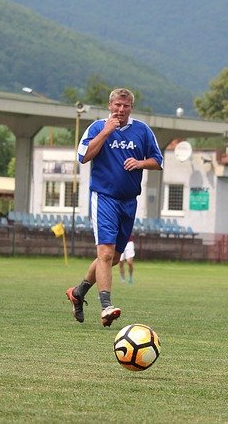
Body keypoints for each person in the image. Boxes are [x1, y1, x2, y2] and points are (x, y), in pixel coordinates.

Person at [65, 88, 163, 327]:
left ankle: (78, 293)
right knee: (105, 254)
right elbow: (84, 156)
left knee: (114, 258)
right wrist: (106, 132)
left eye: (126, 106)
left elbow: (158, 161)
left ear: (131, 107)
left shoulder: (142, 130)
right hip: (104, 198)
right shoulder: (97, 128)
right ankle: (106, 306)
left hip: (129, 201)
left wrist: (141, 162)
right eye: (117, 105)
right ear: (110, 105)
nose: (121, 110)